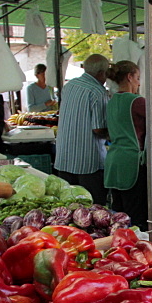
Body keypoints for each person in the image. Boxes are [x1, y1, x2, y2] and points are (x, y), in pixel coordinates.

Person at [103, 60, 152, 226]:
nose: (139, 82)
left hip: (113, 162)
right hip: (131, 163)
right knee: (135, 216)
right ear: (129, 77)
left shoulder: (112, 101)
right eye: (138, 78)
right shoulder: (135, 101)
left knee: (118, 216)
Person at [54, 54, 111, 205]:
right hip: (87, 163)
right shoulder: (98, 92)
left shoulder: (70, 85)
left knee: (68, 207)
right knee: (92, 208)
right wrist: (117, 136)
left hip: (64, 159)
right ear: (101, 73)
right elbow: (98, 129)